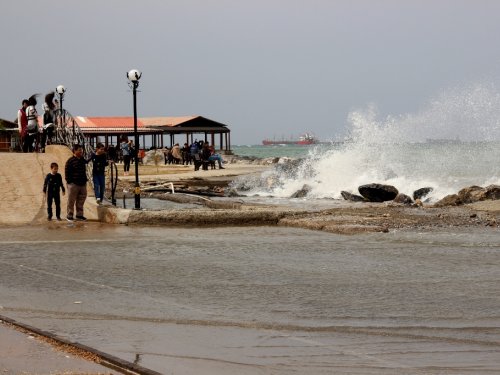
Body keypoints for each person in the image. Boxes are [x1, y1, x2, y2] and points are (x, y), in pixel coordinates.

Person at [65, 144, 88, 221]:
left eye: (81, 150)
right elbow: (67, 172)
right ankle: (69, 215)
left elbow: (87, 162)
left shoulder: (82, 159)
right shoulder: (70, 161)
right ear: (74, 151)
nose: (81, 151)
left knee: (81, 200)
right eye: (79, 150)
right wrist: (69, 182)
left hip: (82, 183)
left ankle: (79, 215)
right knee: (71, 200)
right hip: (73, 184)